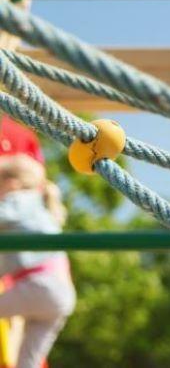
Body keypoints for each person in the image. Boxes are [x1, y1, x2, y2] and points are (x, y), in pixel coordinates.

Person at [0, 154, 74, 368]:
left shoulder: (22, 198)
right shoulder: (40, 208)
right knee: (28, 361)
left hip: (39, 285)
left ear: (11, 183)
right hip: (60, 295)